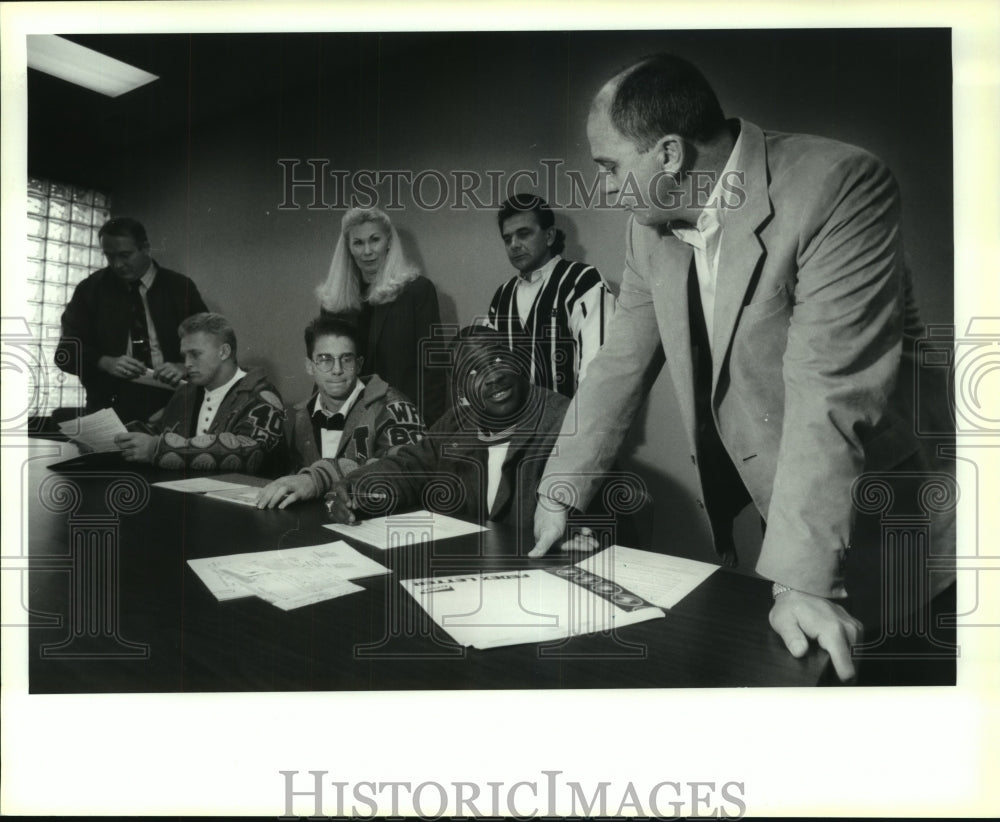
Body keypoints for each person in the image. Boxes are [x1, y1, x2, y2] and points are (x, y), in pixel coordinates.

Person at [529, 53, 953, 682]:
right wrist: (560, 490)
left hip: (892, 514)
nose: (605, 188)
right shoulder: (649, 230)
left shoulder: (836, 183)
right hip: (787, 507)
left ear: (668, 155)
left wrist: (803, 581)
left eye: (610, 167)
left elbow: (828, 389)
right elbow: (617, 365)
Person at [261, 326, 570, 534]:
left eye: (499, 360)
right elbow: (408, 465)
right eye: (473, 371)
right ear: (461, 387)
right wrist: (355, 491)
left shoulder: (561, 418)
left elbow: (589, 498)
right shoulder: (457, 422)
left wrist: (583, 529)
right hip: (469, 563)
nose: (491, 378)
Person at [255, 315, 425, 508]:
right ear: (310, 367)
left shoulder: (392, 404)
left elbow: (409, 468)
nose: (337, 370)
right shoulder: (302, 416)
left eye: (346, 359)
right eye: (325, 359)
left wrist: (322, 478)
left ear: (359, 365)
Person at [55, 217, 208, 422]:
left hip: (175, 401)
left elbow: (208, 344)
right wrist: (103, 361)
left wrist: (183, 366)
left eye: (125, 255)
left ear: (145, 248)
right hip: (110, 404)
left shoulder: (180, 288)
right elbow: (65, 352)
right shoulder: (90, 290)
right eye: (109, 256)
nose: (117, 265)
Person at [113, 312, 287, 475]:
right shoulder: (185, 393)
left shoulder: (262, 396)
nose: (187, 364)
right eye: (184, 356)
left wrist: (157, 449)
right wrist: (116, 436)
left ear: (224, 352)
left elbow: (248, 453)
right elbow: (158, 433)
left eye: (195, 354)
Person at [317, 207, 446, 424]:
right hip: (350, 421)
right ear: (348, 248)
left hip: (405, 420)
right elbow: (325, 368)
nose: (367, 251)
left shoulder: (417, 291)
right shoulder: (333, 302)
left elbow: (433, 370)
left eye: (374, 239)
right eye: (358, 242)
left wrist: (429, 431)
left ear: (388, 242)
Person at [486, 194, 615, 398]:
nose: (514, 245)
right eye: (507, 238)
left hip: (570, 422)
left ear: (549, 236)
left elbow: (598, 369)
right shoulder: (503, 296)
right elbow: (487, 367)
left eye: (524, 233)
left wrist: (578, 425)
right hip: (517, 426)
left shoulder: (582, 281)